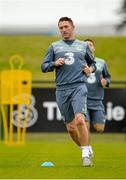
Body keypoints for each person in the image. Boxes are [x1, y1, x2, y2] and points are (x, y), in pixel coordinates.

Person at [41, 17, 96, 166]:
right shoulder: (54, 46)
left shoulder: (83, 46)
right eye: (61, 28)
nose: (63, 30)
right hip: (62, 89)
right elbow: (44, 67)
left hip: (79, 86)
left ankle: (85, 156)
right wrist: (54, 63)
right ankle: (86, 148)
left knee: (80, 120)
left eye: (66, 26)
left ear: (73, 27)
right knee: (71, 128)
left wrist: (90, 69)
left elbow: (93, 63)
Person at [84, 39, 111, 157]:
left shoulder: (101, 62)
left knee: (99, 129)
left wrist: (106, 81)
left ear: (94, 48)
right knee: (85, 126)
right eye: (86, 45)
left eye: (90, 45)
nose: (88, 46)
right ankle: (88, 148)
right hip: (83, 99)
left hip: (97, 100)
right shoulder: (79, 62)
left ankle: (88, 146)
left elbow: (108, 77)